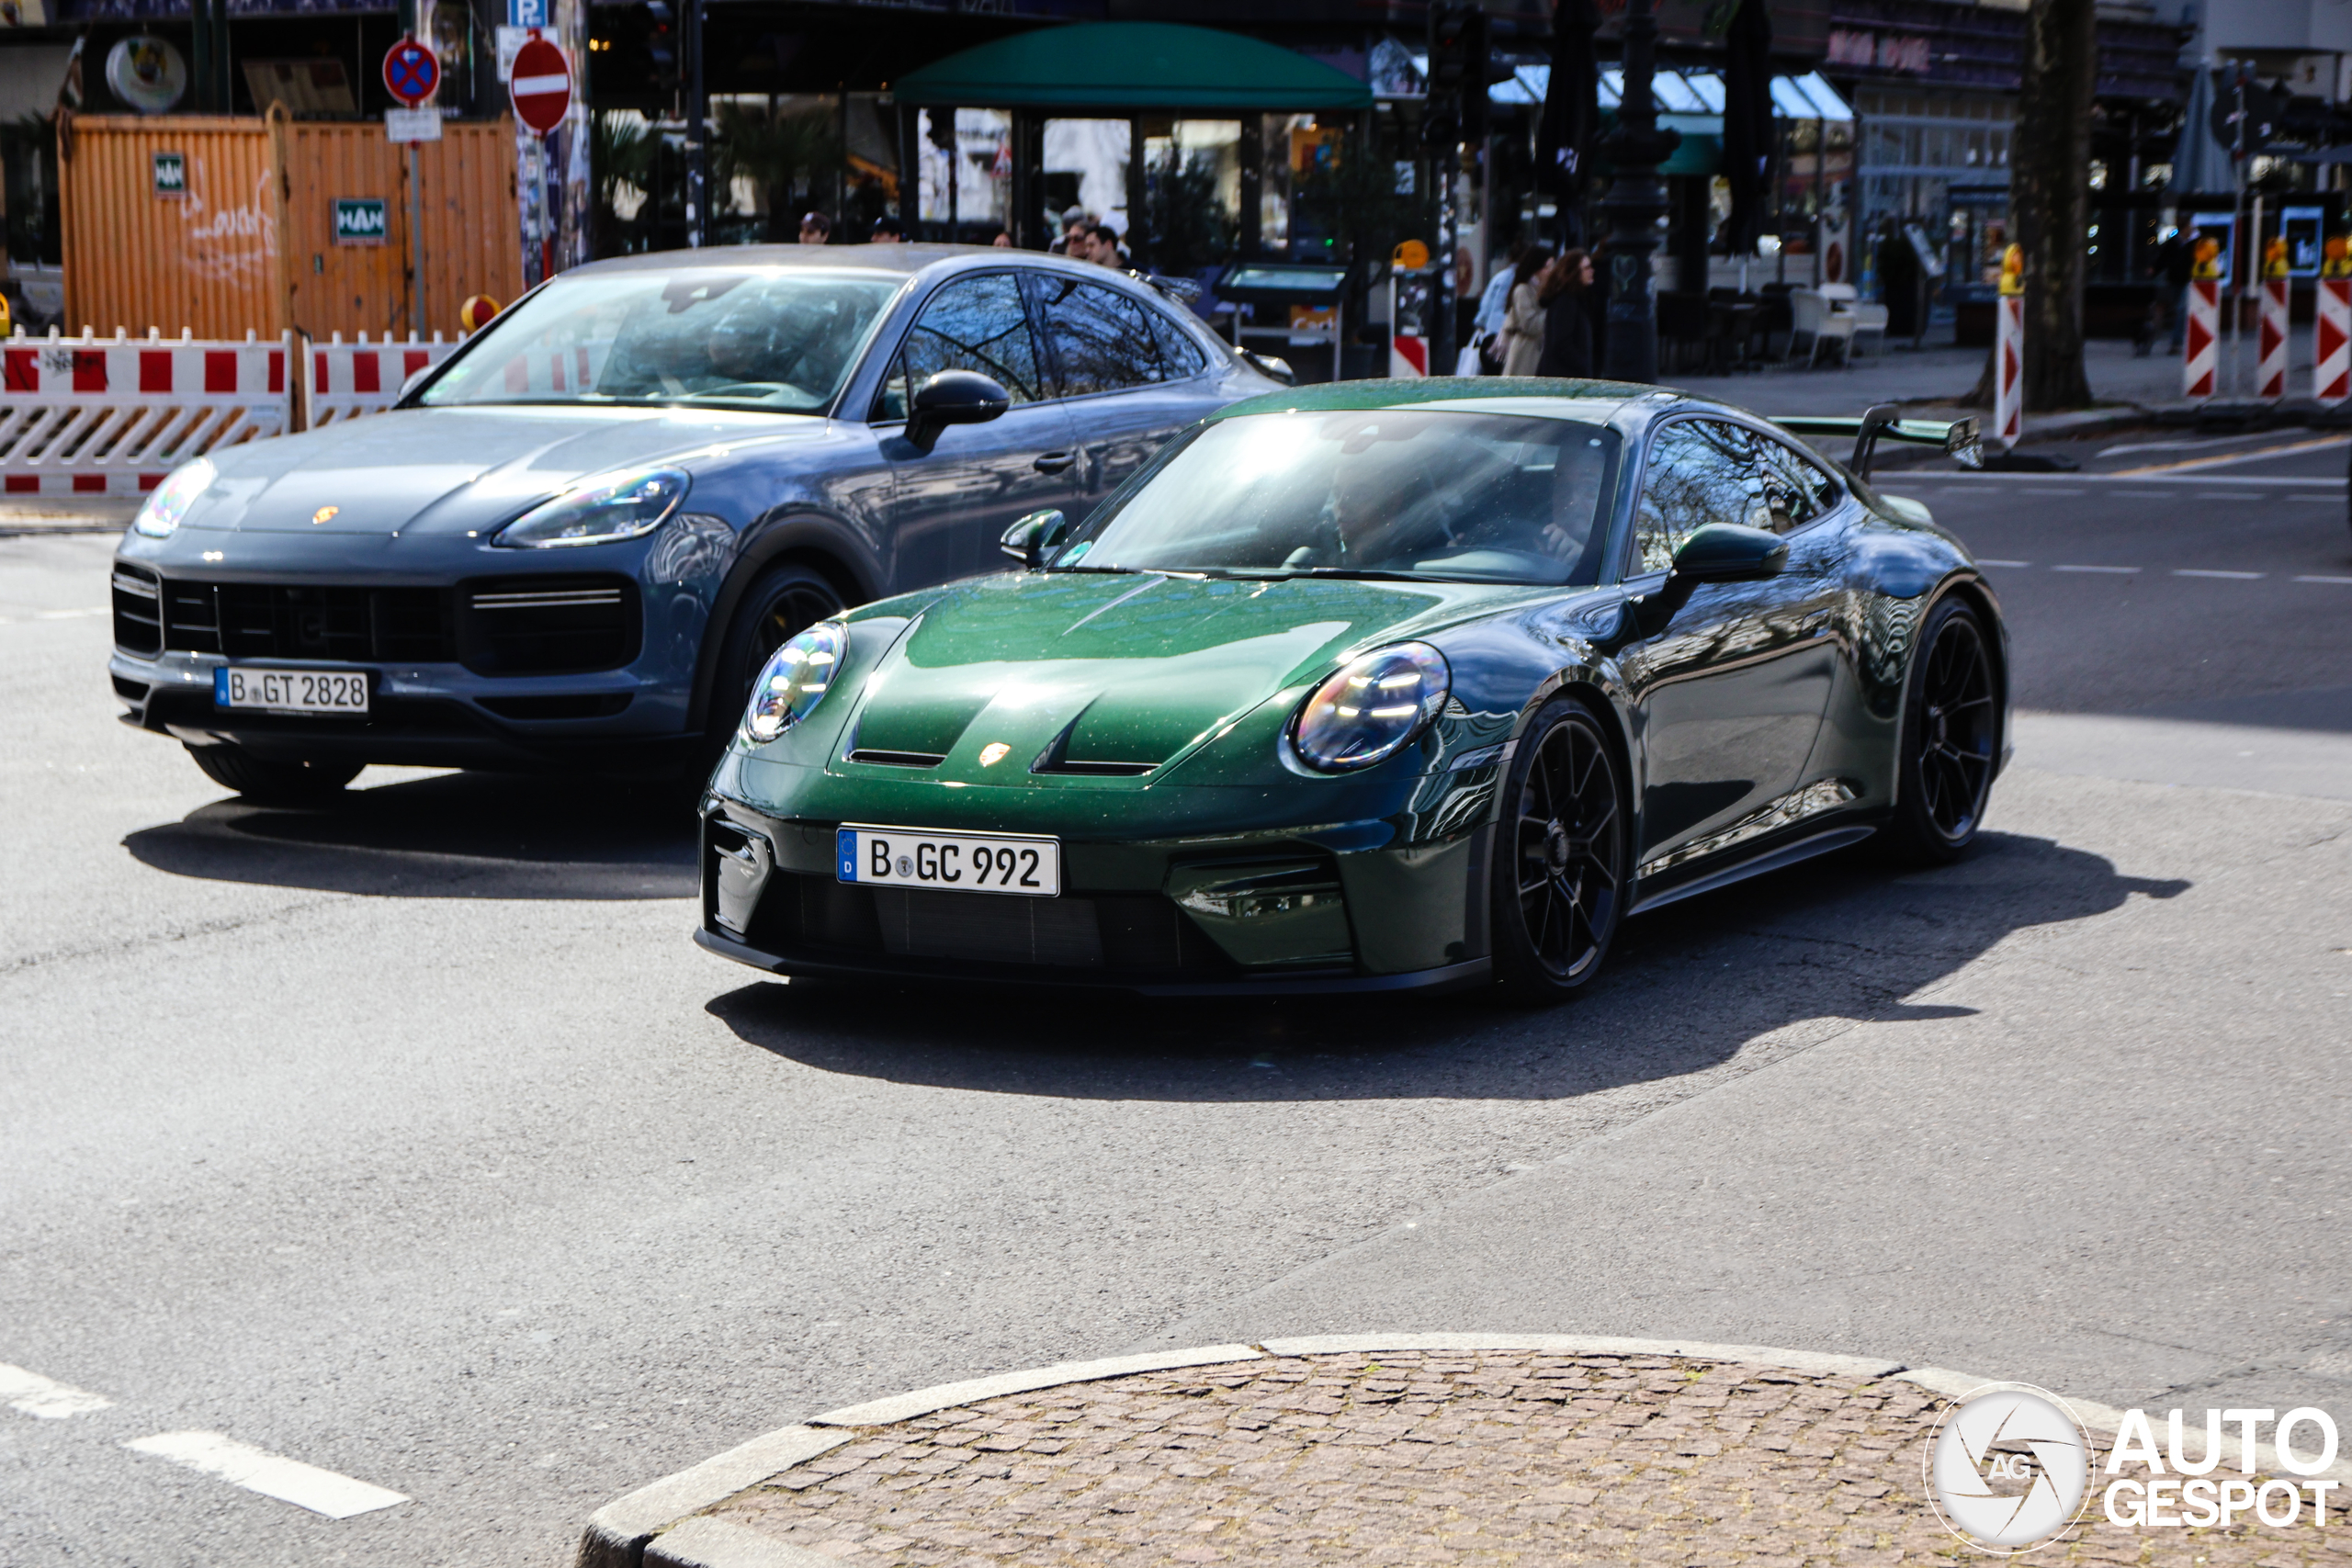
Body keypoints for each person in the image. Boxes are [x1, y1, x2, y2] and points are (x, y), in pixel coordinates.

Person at [1535, 248, 1594, 378]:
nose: (1592, 271)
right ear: (1574, 272)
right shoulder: (1566, 301)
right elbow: (1561, 344)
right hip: (1563, 379)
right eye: (1586, 268)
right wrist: (1583, 366)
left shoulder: (1575, 300)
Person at [1499, 245, 1555, 377]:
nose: (1551, 271)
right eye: (1547, 267)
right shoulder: (1523, 290)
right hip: (1525, 353)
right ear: (1536, 269)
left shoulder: (1543, 290)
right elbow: (1530, 324)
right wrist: (1554, 313)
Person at [1474, 240, 1528, 373]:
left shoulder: (1499, 277)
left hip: (1488, 339)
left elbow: (1483, 313)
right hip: (1507, 341)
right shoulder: (1522, 280)